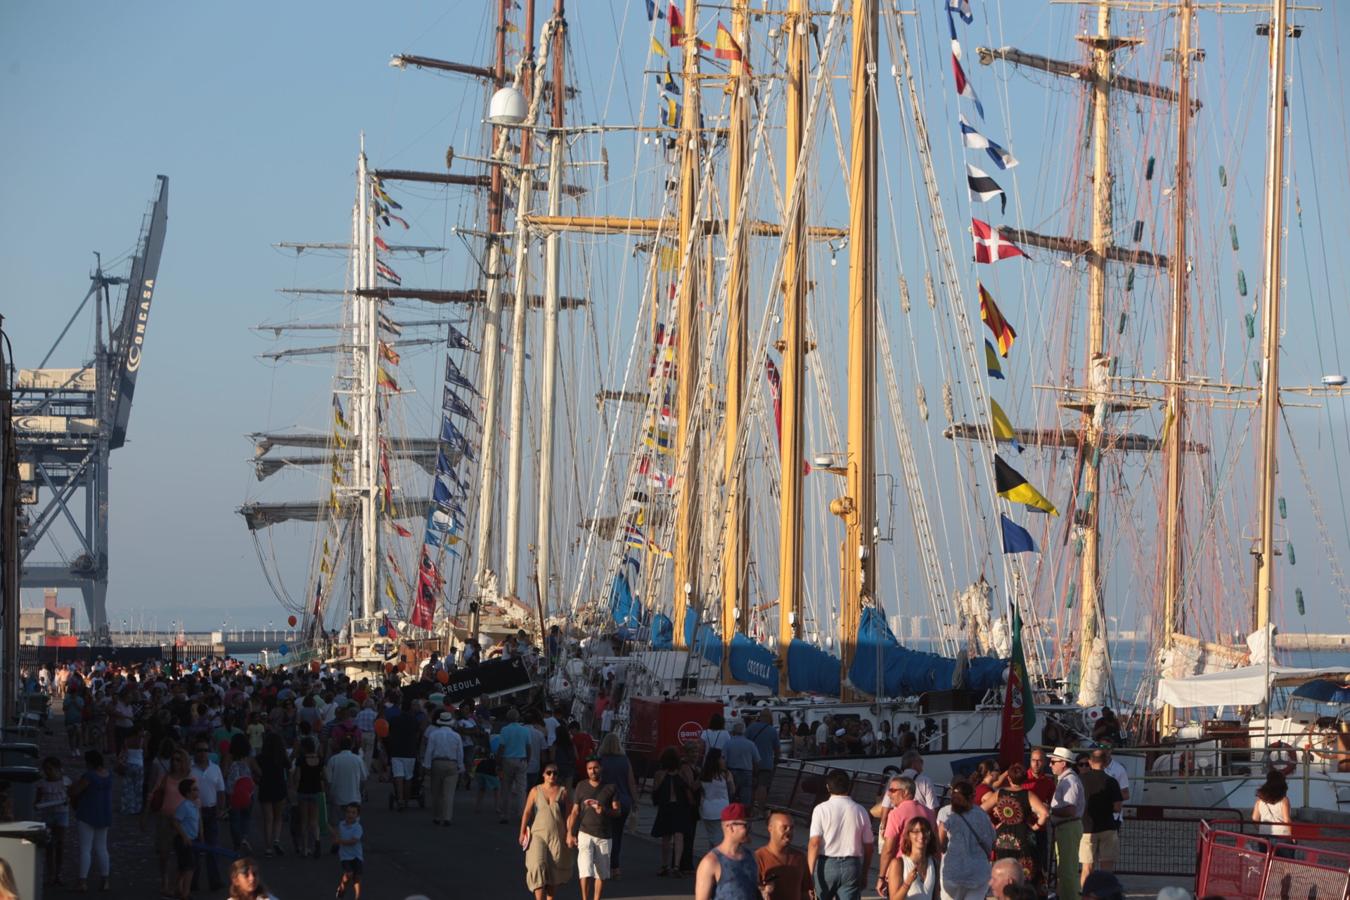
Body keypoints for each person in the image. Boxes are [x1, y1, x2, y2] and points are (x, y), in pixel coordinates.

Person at [808, 769, 874, 900]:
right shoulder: (860, 811)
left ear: (828, 787)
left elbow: (814, 843)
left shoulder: (821, 809)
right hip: (852, 865)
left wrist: (809, 875)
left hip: (826, 864)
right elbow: (869, 847)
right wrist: (864, 872)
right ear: (849, 786)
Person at [982, 762, 1049, 884]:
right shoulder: (1028, 795)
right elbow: (1045, 813)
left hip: (1002, 836)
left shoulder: (999, 793)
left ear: (1008, 778)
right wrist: (1035, 827)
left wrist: (993, 825)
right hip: (1024, 835)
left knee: (1005, 873)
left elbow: (981, 810)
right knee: (1025, 873)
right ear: (1024, 779)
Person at [568, 757, 621, 900]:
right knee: (585, 870)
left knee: (601, 873)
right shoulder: (581, 786)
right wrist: (569, 833)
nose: (593, 771)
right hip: (585, 832)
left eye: (595, 768)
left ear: (601, 768)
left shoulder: (611, 787)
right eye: (590, 768)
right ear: (586, 770)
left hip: (604, 835)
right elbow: (575, 811)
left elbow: (617, 812)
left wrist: (604, 810)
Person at [521, 763, 575, 900]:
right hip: (537, 834)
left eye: (555, 773)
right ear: (543, 775)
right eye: (549, 772)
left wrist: (570, 833)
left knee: (554, 869)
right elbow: (527, 812)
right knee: (537, 865)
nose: (552, 775)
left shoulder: (563, 791)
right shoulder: (535, 790)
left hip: (557, 834)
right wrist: (522, 832)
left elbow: (569, 815)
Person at [936, 780, 996, 900]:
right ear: (972, 797)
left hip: (952, 872)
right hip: (978, 873)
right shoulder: (982, 814)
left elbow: (940, 844)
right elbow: (992, 841)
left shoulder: (945, 812)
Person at [694, 802, 759, 900]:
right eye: (746, 825)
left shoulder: (752, 857)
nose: (750, 829)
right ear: (730, 827)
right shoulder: (711, 862)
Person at [69, 749, 113, 893]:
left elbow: (75, 791)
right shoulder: (108, 775)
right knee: (102, 848)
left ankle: (83, 881)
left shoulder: (89, 776)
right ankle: (105, 880)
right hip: (104, 814)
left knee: (85, 849)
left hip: (88, 814)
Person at [1079, 749, 1124, 884]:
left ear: (1090, 762)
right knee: (1106, 869)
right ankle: (1105, 894)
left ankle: (1085, 895)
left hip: (1086, 828)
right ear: (1105, 763)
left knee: (1087, 868)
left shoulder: (1081, 780)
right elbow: (1117, 807)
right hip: (1107, 827)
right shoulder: (1111, 781)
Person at [597, 732, 638, 877]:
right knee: (617, 834)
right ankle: (615, 866)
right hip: (623, 800)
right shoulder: (624, 760)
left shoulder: (600, 760)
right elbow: (631, 782)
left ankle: (605, 864)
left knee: (604, 834)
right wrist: (635, 800)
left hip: (605, 801)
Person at [1048, 746, 1086, 900]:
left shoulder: (1069, 781)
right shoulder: (1067, 779)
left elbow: (1070, 810)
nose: (1050, 764)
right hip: (1067, 826)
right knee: (1065, 868)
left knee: (1067, 869)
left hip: (1068, 826)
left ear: (1063, 763)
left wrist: (1051, 811)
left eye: (1053, 761)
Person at [190, 740, 228, 891]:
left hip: (211, 810)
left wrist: (221, 809)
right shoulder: (190, 769)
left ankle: (215, 881)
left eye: (205, 750)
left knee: (212, 848)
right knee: (195, 849)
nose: (203, 753)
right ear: (195, 752)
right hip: (193, 812)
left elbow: (221, 790)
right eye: (199, 750)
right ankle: (193, 882)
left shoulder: (215, 768)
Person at [651, 746, 695, 876]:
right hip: (680, 807)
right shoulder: (681, 772)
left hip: (665, 807)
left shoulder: (659, 774)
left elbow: (655, 791)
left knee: (666, 838)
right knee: (679, 836)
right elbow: (689, 786)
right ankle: (676, 865)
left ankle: (664, 865)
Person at [756, 808, 812, 900]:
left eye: (791, 828)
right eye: (784, 827)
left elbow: (805, 892)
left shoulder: (800, 858)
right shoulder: (758, 858)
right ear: (770, 828)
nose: (789, 832)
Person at [423, 710, 465, 826]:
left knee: (436, 792)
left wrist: (427, 766)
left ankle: (436, 816)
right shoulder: (456, 736)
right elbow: (460, 753)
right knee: (449, 793)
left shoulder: (434, 734)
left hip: (437, 763)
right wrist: (461, 767)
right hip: (452, 764)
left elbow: (429, 751)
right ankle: (447, 817)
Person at [36, 755, 71, 886]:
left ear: (58, 769)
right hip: (48, 814)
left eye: (50, 769)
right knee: (49, 844)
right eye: (46, 769)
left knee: (60, 843)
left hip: (61, 813)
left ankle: (58, 873)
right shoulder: (42, 783)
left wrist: (68, 800)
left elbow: (70, 796)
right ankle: (51, 873)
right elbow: (38, 799)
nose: (47, 772)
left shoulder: (65, 781)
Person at [225, 733, 262, 854]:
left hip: (232, 793)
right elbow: (259, 772)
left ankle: (237, 842)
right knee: (246, 817)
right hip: (248, 792)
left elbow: (224, 773)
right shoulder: (249, 759)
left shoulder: (228, 758)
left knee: (234, 819)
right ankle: (244, 837)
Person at [384, 695, 422, 813]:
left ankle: (400, 799)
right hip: (410, 751)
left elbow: (388, 734)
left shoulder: (394, 720)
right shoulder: (414, 720)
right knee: (409, 777)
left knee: (398, 777)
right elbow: (418, 734)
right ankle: (406, 800)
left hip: (397, 751)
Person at [888, 816, 939, 899]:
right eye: (916, 831)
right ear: (909, 835)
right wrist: (907, 883)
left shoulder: (934, 863)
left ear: (930, 836)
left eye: (925, 831)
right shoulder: (898, 863)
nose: (921, 835)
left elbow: (935, 897)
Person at [292, 736, 325, 857]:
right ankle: (316, 841)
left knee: (304, 821)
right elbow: (324, 775)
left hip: (303, 791)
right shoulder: (320, 760)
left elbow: (297, 777)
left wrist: (294, 786)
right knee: (314, 820)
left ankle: (305, 848)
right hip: (316, 790)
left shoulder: (301, 760)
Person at [499, 708, 533, 825]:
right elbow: (528, 747)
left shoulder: (504, 730)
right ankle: (521, 814)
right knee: (521, 789)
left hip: (507, 760)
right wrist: (527, 760)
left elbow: (501, 747)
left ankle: (504, 815)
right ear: (518, 718)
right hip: (521, 759)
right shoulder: (525, 730)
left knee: (506, 788)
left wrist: (498, 762)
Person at [171, 777, 202, 900]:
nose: (197, 791)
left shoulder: (194, 805)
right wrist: (184, 837)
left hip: (191, 839)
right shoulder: (184, 806)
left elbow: (197, 822)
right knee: (189, 867)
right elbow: (175, 822)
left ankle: (177, 889)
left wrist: (200, 834)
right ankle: (185, 893)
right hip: (184, 840)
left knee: (183, 867)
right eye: (194, 789)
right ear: (188, 793)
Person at [700, 751, 737, 851]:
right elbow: (732, 791)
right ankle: (716, 862)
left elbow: (701, 791)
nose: (724, 760)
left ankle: (711, 860)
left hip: (707, 809)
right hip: (722, 809)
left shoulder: (704, 774)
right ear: (717, 760)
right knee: (720, 840)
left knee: (713, 838)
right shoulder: (725, 774)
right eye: (722, 758)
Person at [1251, 769, 1293, 852]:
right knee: (1283, 862)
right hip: (1281, 836)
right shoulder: (1284, 800)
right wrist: (1292, 836)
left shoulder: (1260, 800)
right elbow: (1286, 820)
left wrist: (1262, 829)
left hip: (1264, 836)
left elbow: (1255, 819)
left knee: (1266, 861)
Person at [746, 711, 779, 812]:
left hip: (751, 763)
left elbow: (745, 743)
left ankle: (749, 809)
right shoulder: (772, 730)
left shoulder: (750, 728)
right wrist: (776, 760)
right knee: (762, 786)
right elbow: (777, 748)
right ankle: (761, 810)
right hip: (766, 763)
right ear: (769, 718)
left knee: (751, 787)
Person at [325, 736, 368, 812]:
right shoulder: (358, 759)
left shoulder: (333, 759)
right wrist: (359, 791)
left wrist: (330, 795)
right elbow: (363, 779)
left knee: (336, 822)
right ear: (351, 746)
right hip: (354, 798)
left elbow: (328, 781)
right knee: (352, 822)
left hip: (337, 798)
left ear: (339, 746)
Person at [332, 802, 364, 900]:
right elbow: (336, 834)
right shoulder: (341, 824)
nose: (350, 815)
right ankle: (342, 888)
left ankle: (357, 897)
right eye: (348, 812)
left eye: (353, 813)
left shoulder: (358, 828)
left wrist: (339, 841)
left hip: (357, 856)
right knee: (349, 874)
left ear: (357, 815)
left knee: (357, 878)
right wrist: (335, 838)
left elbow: (353, 841)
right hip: (345, 856)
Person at [723, 722, 760, 808]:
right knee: (745, 798)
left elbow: (724, 760)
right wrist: (755, 775)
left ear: (733, 732)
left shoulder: (728, 743)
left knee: (730, 796)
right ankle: (743, 816)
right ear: (744, 732)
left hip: (731, 772)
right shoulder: (751, 744)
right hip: (746, 773)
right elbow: (756, 761)